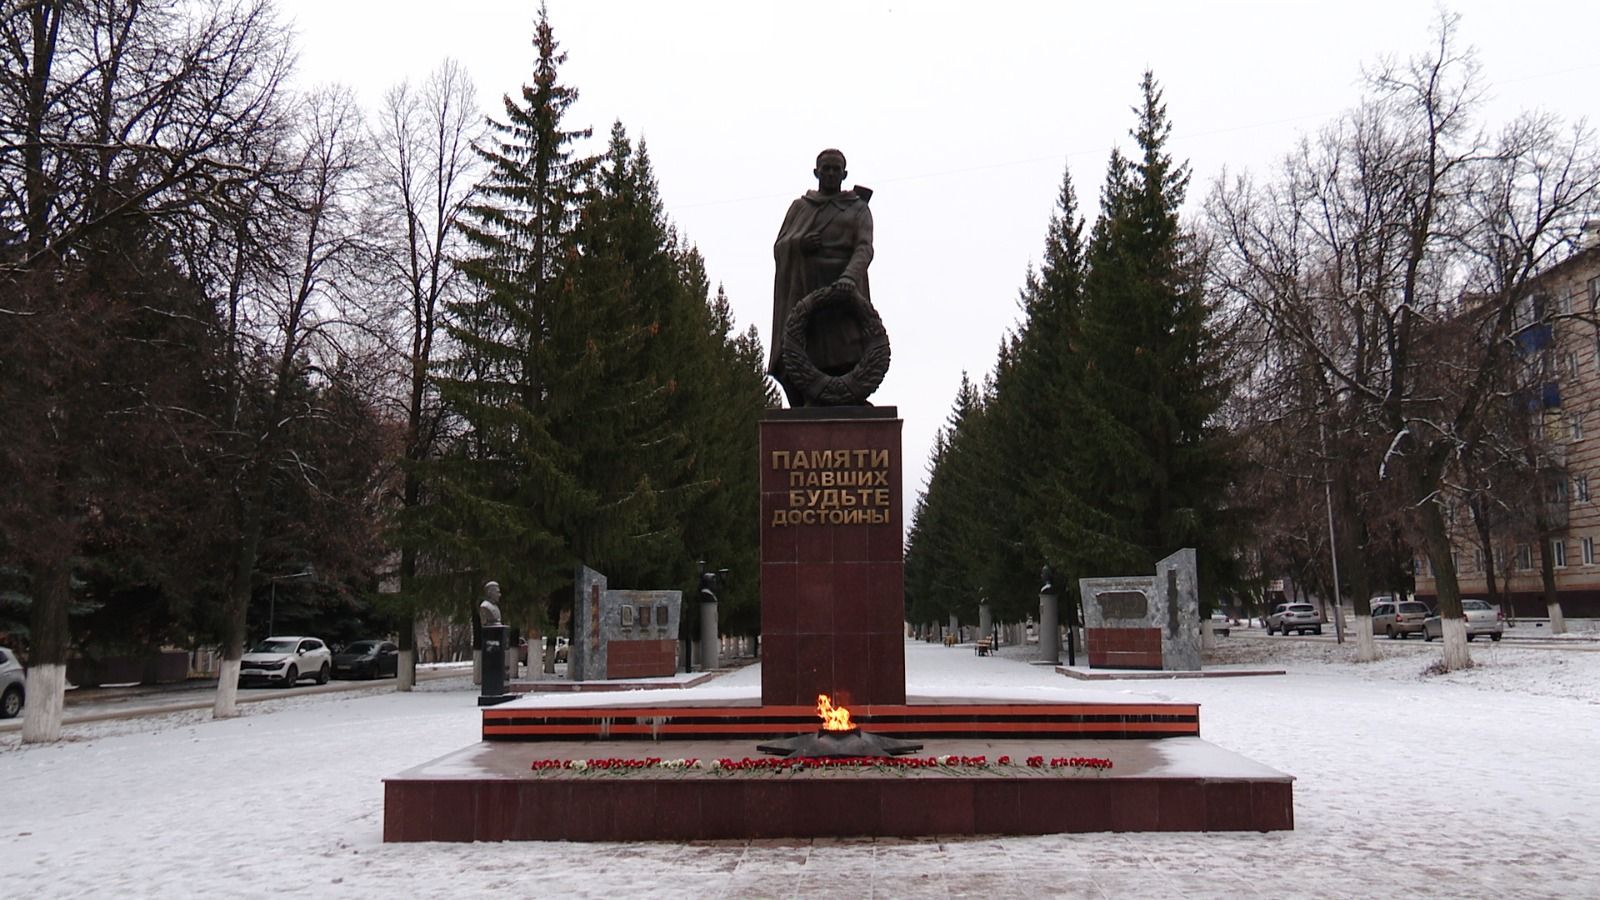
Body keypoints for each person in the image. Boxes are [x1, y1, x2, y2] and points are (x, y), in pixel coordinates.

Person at [769, 148, 874, 406]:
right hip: (807, 287)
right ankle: (811, 396)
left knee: (847, 346)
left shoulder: (857, 209)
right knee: (811, 348)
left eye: (835, 169)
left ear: (844, 174)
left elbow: (864, 247)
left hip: (844, 291)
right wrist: (799, 243)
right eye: (825, 169)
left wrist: (849, 278)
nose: (830, 174)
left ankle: (850, 396)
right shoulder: (800, 208)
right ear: (816, 172)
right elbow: (780, 246)